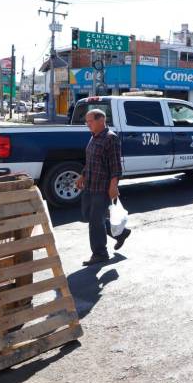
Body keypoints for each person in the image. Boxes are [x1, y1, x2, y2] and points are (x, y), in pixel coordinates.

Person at [75, 109, 130, 266]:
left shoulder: (110, 138)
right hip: (90, 185)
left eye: (90, 121)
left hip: (102, 187)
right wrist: (83, 176)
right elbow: (91, 161)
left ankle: (100, 253)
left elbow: (115, 166)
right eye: (87, 121)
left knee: (95, 221)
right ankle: (120, 233)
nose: (87, 124)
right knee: (88, 215)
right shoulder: (93, 137)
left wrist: (113, 186)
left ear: (101, 120)